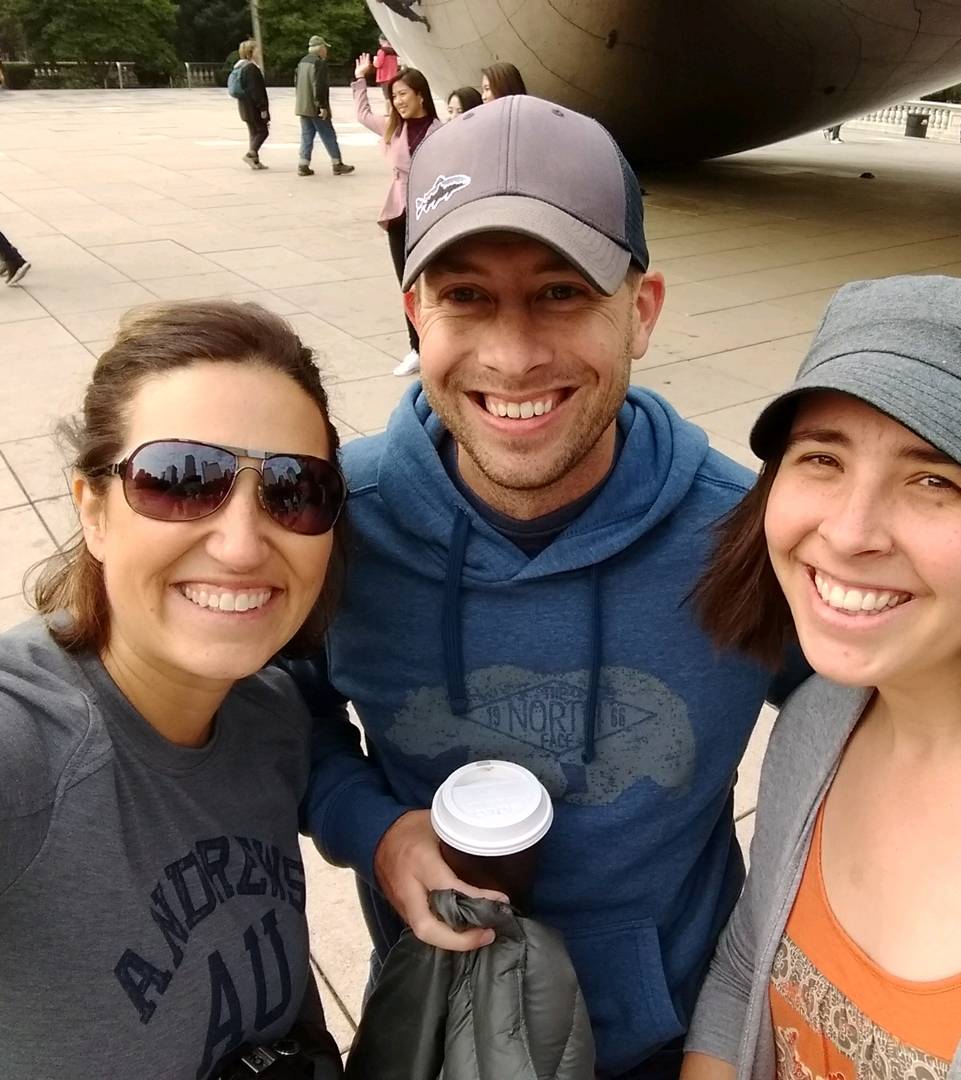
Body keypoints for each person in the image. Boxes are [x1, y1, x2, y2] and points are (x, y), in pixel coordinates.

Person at [291, 95, 774, 1080]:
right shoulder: (335, 523)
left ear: (640, 310)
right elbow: (271, 706)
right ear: (414, 312)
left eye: (561, 292)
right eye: (466, 295)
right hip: (440, 1036)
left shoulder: (748, 536)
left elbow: (872, 740)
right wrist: (371, 827)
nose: (513, 356)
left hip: (674, 1049)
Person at [682, 270, 961, 1079]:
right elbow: (742, 973)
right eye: (821, 457)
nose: (851, 531)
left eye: (935, 479)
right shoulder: (820, 719)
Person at [0, 300, 349, 1079]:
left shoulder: (269, 716)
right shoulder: (27, 747)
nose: (241, 542)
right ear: (92, 509)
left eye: (293, 489)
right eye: (180, 480)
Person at [353, 52, 441, 378]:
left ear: (420, 94)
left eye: (403, 94)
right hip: (399, 218)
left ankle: (438, 344)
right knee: (408, 285)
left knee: (433, 283)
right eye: (394, 96)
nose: (398, 101)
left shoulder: (440, 130)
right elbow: (362, 114)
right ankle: (417, 348)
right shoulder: (393, 128)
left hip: (429, 216)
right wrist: (361, 78)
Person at [295, 34, 355, 177]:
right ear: (320, 48)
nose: (326, 51)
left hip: (303, 106)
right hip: (316, 107)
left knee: (307, 135)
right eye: (325, 48)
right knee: (328, 134)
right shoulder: (319, 63)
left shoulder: (302, 62)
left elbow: (297, 84)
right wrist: (322, 106)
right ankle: (337, 163)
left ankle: (303, 165)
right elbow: (320, 86)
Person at [233, 39, 270, 171]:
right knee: (263, 131)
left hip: (244, 106)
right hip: (253, 107)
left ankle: (255, 161)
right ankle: (250, 154)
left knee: (254, 132)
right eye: (256, 50)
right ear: (250, 52)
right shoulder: (251, 68)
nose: (259, 52)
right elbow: (257, 91)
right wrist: (263, 108)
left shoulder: (240, 67)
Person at [372, 33, 400, 101]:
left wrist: (374, 61)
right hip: (393, 76)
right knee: (393, 95)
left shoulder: (382, 51)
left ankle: (389, 111)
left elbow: (378, 64)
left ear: (382, 40)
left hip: (384, 77)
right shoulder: (394, 51)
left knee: (387, 97)